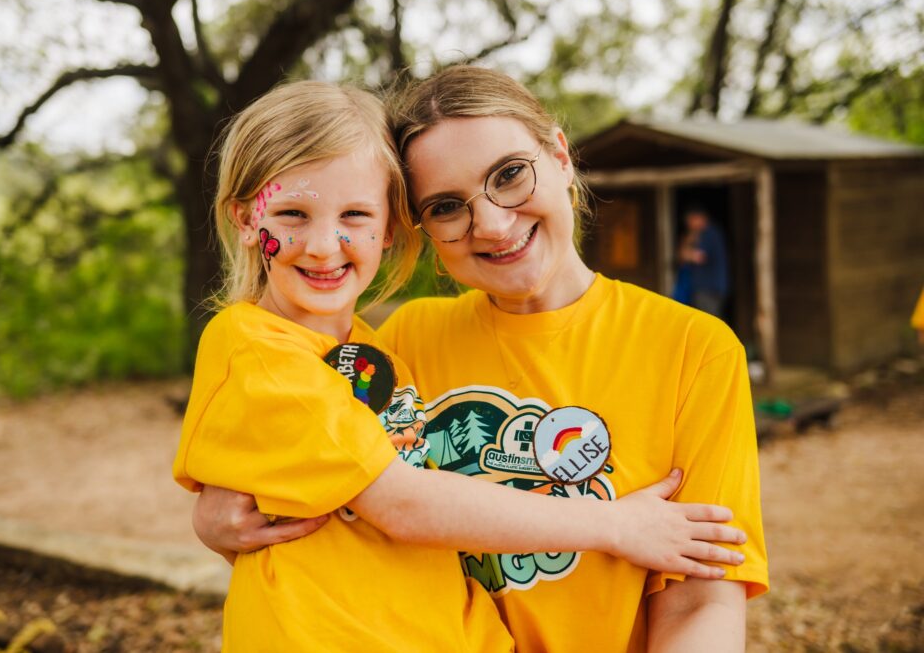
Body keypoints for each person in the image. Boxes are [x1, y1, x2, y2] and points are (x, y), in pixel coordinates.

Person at [190, 70, 768, 652]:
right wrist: (223, 516)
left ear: (561, 156)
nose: (492, 223)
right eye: (446, 206)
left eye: (510, 174)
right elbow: (367, 501)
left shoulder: (693, 347)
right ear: (417, 227)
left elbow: (702, 594)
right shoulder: (400, 343)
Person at [678, 206, 730, 318]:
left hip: (709, 288)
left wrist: (686, 246)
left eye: (690, 220)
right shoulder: (707, 234)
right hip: (707, 288)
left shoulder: (709, 234)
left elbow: (697, 257)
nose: (689, 225)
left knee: (708, 321)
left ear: (699, 218)